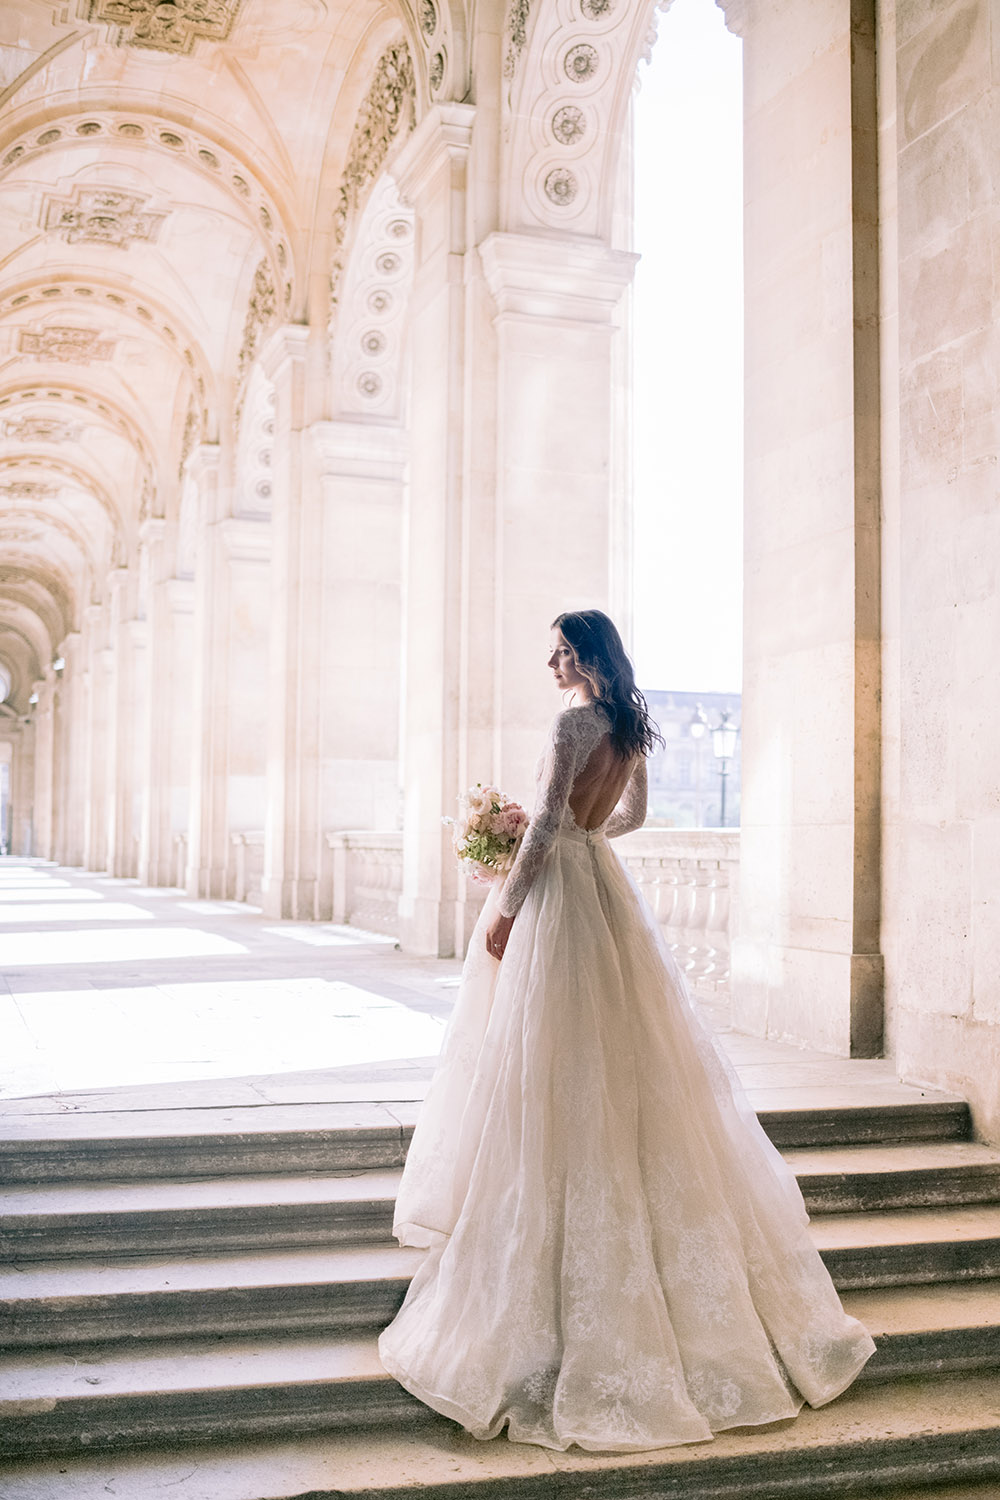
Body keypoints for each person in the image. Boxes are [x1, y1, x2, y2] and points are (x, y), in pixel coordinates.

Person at [378, 609, 875, 1453]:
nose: (552, 661)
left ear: (590, 655)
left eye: (564, 651)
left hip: (563, 895)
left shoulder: (574, 721)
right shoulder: (630, 724)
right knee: (622, 1058)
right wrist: (586, 835)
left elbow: (542, 820)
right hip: (605, 887)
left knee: (551, 1060)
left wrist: (507, 902)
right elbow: (633, 818)